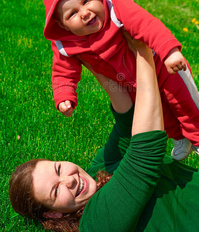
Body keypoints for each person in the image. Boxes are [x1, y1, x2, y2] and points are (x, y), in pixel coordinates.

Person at [9, 39, 199, 232]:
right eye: (56, 191)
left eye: (58, 169)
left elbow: (128, 121)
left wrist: (88, 57)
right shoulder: (95, 224)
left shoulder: (98, 168)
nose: (69, 180)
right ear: (52, 214)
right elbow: (145, 154)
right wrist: (143, 53)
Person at [43, 0, 199, 161]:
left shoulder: (116, 8)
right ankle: (179, 136)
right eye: (72, 13)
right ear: (63, 26)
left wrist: (170, 52)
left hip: (163, 65)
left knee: (184, 102)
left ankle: (197, 136)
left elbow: (147, 25)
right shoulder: (66, 43)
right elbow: (62, 71)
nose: (85, 13)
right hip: (131, 84)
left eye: (87, 1)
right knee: (160, 111)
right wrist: (64, 94)